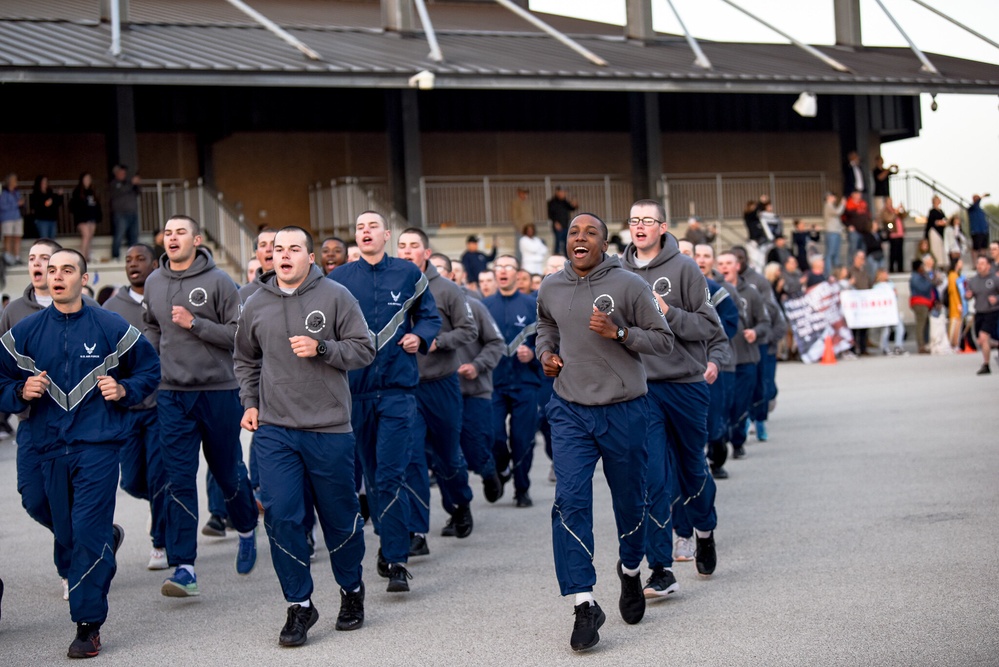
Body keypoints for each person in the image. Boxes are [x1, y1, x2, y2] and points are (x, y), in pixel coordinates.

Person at [0, 248, 159, 658]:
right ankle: (104, 542)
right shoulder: (26, 331)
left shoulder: (110, 324)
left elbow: (149, 369)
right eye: (52, 270)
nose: (57, 276)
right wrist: (18, 391)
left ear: (84, 279)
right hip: (44, 442)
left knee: (86, 530)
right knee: (38, 504)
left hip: (97, 444)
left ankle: (88, 625)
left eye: (67, 270)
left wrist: (125, 390)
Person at [536, 213, 673, 652]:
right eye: (573, 231)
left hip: (625, 410)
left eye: (589, 232)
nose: (579, 237)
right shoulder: (550, 286)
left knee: (631, 502)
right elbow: (547, 326)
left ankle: (630, 570)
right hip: (570, 409)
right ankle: (584, 603)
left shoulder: (629, 285)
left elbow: (663, 340)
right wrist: (546, 352)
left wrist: (620, 333)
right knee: (569, 500)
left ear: (604, 243)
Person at [234, 226, 375, 646]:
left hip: (329, 429)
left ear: (310, 257)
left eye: (294, 248)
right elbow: (245, 358)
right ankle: (299, 604)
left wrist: (323, 349)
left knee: (339, 519)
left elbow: (364, 349)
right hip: (276, 430)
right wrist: (250, 401)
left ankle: (351, 590)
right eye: (279, 249)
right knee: (281, 517)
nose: (285, 255)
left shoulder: (335, 296)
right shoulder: (255, 303)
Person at [143, 214, 259, 597]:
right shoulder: (154, 281)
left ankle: (245, 527)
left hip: (217, 391)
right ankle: (184, 567)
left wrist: (195, 325)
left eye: (181, 232)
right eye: (168, 232)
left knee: (227, 472)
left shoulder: (219, 281)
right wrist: (156, 363)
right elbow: (152, 326)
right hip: (172, 395)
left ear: (196, 240)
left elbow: (239, 336)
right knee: (178, 478)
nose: (172, 237)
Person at [328, 211, 441, 593]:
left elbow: (430, 317)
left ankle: (395, 559)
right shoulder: (339, 279)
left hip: (397, 391)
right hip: (354, 394)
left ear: (386, 234)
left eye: (372, 226)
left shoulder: (409, 274)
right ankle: (383, 544)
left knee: (391, 474)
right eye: (359, 227)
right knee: (369, 478)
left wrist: (420, 337)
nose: (365, 232)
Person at [620, 200, 723, 597]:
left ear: (662, 227)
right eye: (634, 221)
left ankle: (704, 529)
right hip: (641, 390)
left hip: (685, 385)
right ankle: (660, 569)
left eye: (647, 220)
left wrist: (668, 312)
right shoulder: (617, 270)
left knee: (692, 469)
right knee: (653, 480)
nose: (640, 226)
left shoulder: (685, 267)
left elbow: (708, 326)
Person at [0, 238, 84, 600]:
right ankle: (94, 537)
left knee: (65, 499)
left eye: (46, 260)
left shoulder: (86, 309)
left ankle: (70, 570)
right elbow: (2, 370)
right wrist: (20, 391)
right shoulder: (14, 311)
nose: (38, 266)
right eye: (32, 259)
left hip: (75, 426)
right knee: (34, 499)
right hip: (33, 423)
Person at [397, 227, 477, 545]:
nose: (406, 251)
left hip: (442, 384)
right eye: (401, 246)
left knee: (448, 456)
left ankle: (460, 502)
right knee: (413, 456)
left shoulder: (447, 289)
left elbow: (467, 331)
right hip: (405, 388)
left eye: (413, 246)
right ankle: (417, 530)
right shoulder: (391, 289)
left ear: (426, 253)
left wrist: (432, 340)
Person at [103, 243, 169, 570]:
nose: (133, 264)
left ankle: (160, 543)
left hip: (162, 404)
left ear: (154, 264)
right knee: (131, 480)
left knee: (160, 475)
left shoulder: (166, 297)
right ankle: (160, 506)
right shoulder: (112, 306)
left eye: (140, 258)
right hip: (127, 406)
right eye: (128, 259)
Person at [430, 253, 505, 508]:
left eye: (440, 269)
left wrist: (476, 366)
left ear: (452, 276)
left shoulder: (473, 306)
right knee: (444, 455)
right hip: (436, 392)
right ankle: (456, 509)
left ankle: (487, 470)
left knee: (475, 450)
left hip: (473, 391)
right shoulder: (416, 309)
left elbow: (496, 343)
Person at [485, 255, 542, 508]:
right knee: (494, 434)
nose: (503, 271)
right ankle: (502, 467)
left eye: (508, 266)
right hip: (493, 383)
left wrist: (532, 355)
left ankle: (522, 488)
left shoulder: (532, 305)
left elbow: (548, 341)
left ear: (517, 274)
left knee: (522, 438)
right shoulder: (484, 306)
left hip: (525, 382)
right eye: (499, 267)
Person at [717, 251, 769, 460]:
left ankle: (738, 441)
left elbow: (765, 321)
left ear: (737, 266)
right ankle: (719, 443)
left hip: (746, 359)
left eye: (728, 263)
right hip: (722, 360)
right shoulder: (708, 289)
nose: (724, 267)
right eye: (720, 263)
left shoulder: (751, 292)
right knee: (722, 405)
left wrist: (755, 332)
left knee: (740, 404)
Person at [965, 256, 999, 375]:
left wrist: (996, 299)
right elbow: (969, 293)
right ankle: (996, 344)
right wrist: (968, 295)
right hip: (979, 312)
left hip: (992, 312)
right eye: (978, 263)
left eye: (982, 263)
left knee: (983, 337)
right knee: (981, 340)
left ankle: (986, 365)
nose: (979, 266)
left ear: (988, 266)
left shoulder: (995, 279)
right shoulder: (973, 280)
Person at [108, 165, 141, 262]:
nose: (123, 174)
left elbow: (138, 192)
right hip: (120, 214)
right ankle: (115, 256)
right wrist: (131, 182)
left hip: (133, 213)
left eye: (124, 173)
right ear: (116, 174)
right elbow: (122, 190)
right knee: (119, 235)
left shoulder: (128, 183)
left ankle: (133, 256)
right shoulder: (114, 184)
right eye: (121, 172)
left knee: (134, 236)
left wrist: (136, 184)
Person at [873, 269, 907, 356]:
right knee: (886, 330)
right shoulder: (877, 286)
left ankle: (898, 346)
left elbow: (895, 297)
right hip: (884, 311)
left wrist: (895, 293)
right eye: (884, 273)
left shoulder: (891, 284)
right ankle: (885, 347)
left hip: (893, 310)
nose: (886, 275)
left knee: (900, 328)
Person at [847, 250, 873, 356]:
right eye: (860, 258)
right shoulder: (850, 271)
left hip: (864, 302)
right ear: (855, 259)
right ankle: (852, 348)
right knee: (853, 327)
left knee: (864, 326)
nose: (861, 261)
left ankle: (863, 348)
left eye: (863, 258)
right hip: (854, 301)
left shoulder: (865, 272)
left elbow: (870, 284)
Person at [909, 258, 936, 354]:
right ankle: (921, 345)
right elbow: (923, 288)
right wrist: (929, 279)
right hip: (920, 303)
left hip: (925, 302)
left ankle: (925, 343)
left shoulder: (920, 276)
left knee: (925, 324)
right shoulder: (915, 278)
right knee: (921, 325)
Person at [0, 173, 24, 265]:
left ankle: (17, 257)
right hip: (7, 218)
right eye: (14, 180)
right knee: (8, 237)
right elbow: (2, 206)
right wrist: (16, 204)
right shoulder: (4, 193)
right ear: (10, 182)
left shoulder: (16, 192)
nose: (16, 182)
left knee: (18, 236)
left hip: (17, 217)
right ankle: (8, 257)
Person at [547, 186, 577, 256]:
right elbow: (551, 214)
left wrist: (574, 205)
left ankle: (567, 257)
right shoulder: (552, 202)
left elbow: (571, 208)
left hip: (565, 225)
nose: (564, 194)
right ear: (557, 192)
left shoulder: (564, 202)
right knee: (558, 242)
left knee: (566, 242)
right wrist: (556, 222)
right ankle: (556, 257)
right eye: (562, 192)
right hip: (558, 226)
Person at [29, 175, 62, 240]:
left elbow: (57, 202)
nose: (45, 183)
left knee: (52, 240)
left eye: (46, 182)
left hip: (52, 219)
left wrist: (60, 196)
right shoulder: (36, 194)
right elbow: (35, 206)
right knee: (44, 240)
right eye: (43, 182)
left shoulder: (50, 192)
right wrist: (45, 204)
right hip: (42, 220)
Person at [882, 197, 907, 273]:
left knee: (900, 253)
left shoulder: (894, 210)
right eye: (889, 201)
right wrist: (894, 212)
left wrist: (902, 209)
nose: (890, 203)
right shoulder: (885, 211)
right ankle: (892, 269)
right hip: (893, 235)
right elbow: (888, 219)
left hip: (900, 234)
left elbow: (904, 216)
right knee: (893, 253)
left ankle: (900, 268)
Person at [823, 192, 845, 271]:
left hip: (836, 232)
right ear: (828, 197)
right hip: (831, 232)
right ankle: (827, 273)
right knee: (830, 253)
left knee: (836, 254)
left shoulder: (831, 206)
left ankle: (837, 272)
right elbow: (837, 212)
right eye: (833, 196)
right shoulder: (828, 205)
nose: (834, 198)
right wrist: (842, 204)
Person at [924, 196, 947, 265]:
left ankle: (942, 263)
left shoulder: (941, 211)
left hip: (941, 232)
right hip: (934, 232)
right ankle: (937, 263)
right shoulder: (932, 211)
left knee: (941, 248)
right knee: (935, 248)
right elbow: (931, 222)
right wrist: (939, 222)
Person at [968, 194, 990, 261]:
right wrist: (983, 196)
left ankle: (984, 261)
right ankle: (975, 263)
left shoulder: (980, 210)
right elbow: (976, 203)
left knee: (984, 247)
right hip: (976, 231)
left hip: (983, 231)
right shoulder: (971, 209)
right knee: (976, 248)